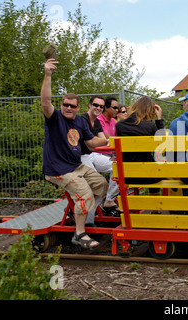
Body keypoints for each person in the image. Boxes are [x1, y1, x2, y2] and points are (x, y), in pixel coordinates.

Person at [41, 59, 108, 249]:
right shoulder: (54, 119)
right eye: (65, 104)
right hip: (57, 169)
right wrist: (47, 74)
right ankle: (79, 233)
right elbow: (45, 101)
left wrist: (108, 141)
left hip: (75, 166)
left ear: (78, 108)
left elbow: (91, 143)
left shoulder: (80, 122)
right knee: (85, 193)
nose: (68, 108)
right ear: (61, 105)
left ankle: (77, 210)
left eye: (72, 105)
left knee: (102, 184)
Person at [81, 95, 121, 218]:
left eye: (101, 106)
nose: (98, 108)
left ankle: (109, 200)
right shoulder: (82, 119)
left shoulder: (97, 121)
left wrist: (105, 142)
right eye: (96, 105)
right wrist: (103, 141)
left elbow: (102, 140)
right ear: (89, 105)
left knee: (118, 167)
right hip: (80, 156)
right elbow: (92, 142)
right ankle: (85, 214)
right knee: (98, 184)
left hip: (92, 154)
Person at [115, 96, 164, 191]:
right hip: (149, 176)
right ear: (150, 111)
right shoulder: (149, 126)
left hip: (128, 176)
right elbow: (162, 142)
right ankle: (155, 202)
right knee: (156, 165)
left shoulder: (119, 126)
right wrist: (159, 118)